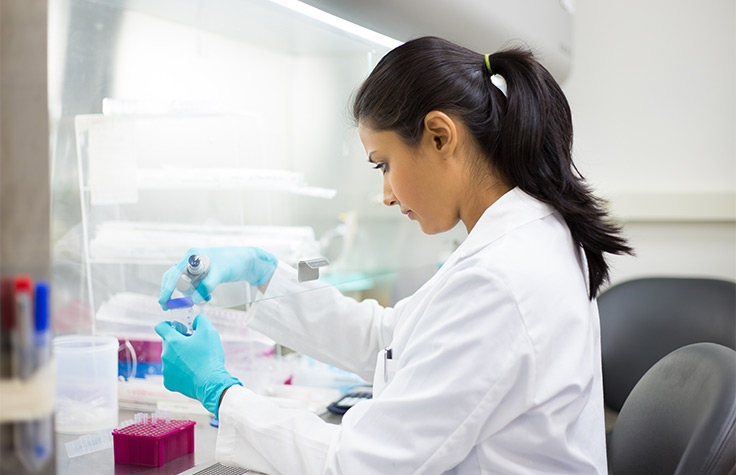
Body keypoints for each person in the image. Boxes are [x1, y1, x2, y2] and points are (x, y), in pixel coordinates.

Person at [155, 36, 632, 474]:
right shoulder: (525, 237)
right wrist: (265, 274)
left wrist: (220, 393)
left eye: (384, 164)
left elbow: (361, 465)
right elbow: (388, 339)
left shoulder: (501, 279)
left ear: (440, 136)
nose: (385, 193)